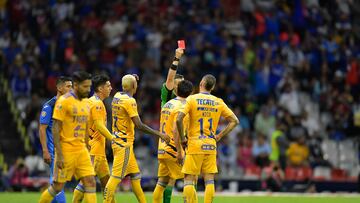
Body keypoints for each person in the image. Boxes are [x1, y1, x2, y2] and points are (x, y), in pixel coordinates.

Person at [103, 74, 170, 203]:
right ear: (134, 86)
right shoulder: (130, 101)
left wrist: (131, 79)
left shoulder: (116, 96)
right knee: (115, 177)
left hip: (118, 141)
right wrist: (160, 134)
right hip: (124, 144)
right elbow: (139, 125)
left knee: (135, 175)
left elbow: (127, 86)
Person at [176, 74, 239, 203]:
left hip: (194, 144)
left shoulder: (192, 99)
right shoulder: (218, 101)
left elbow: (178, 119)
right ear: (213, 87)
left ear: (201, 83)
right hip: (210, 145)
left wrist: (182, 138)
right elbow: (234, 121)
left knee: (188, 178)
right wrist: (219, 136)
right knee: (209, 180)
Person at [38, 71, 97, 203]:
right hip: (66, 151)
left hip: (81, 150)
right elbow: (55, 128)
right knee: (57, 187)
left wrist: (87, 146)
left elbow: (85, 126)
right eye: (85, 87)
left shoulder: (86, 103)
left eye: (89, 86)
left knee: (90, 182)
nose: (88, 90)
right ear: (76, 85)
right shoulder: (62, 102)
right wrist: (57, 153)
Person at [73, 74, 116, 202]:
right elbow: (99, 125)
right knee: (86, 183)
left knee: (107, 184)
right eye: (108, 86)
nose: (111, 88)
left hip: (96, 150)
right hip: (95, 150)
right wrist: (113, 138)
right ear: (101, 88)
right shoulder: (97, 104)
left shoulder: (88, 101)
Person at [153, 80, 193, 203]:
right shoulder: (182, 108)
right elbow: (176, 131)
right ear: (190, 93)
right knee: (190, 177)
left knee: (162, 183)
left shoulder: (167, 104)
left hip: (162, 149)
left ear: (177, 90)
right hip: (173, 150)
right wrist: (180, 152)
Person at [39, 76, 72, 203]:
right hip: (53, 151)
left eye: (72, 86)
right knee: (57, 181)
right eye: (68, 86)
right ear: (59, 88)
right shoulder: (49, 106)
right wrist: (45, 150)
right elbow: (42, 129)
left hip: (64, 150)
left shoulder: (68, 106)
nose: (71, 89)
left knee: (57, 182)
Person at [159, 48, 185, 203]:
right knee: (189, 176)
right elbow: (169, 79)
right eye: (175, 84)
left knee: (166, 180)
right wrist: (176, 58)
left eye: (180, 84)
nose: (177, 86)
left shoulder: (183, 100)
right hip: (172, 142)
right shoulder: (168, 95)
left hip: (164, 144)